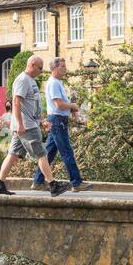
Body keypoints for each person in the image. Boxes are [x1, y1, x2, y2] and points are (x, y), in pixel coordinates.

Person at [0, 55, 68, 196]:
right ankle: (53, 185)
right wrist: (20, 124)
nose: (41, 71)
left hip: (27, 124)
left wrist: (41, 121)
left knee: (13, 154)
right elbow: (16, 102)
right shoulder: (22, 80)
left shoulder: (30, 80)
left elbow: (32, 105)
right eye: (39, 68)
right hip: (26, 126)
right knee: (41, 153)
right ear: (32, 64)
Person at [32, 57, 92, 193]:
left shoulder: (57, 83)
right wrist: (73, 105)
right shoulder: (53, 83)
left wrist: (72, 110)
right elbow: (58, 104)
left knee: (49, 153)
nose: (65, 69)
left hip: (58, 120)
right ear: (54, 68)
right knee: (66, 151)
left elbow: (62, 104)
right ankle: (76, 182)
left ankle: (38, 181)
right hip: (57, 120)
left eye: (65, 66)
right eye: (62, 67)